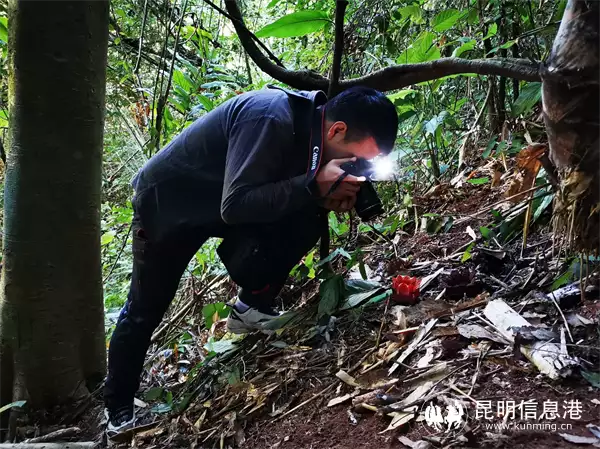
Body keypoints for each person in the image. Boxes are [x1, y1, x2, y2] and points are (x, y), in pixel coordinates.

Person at [103, 85, 398, 437]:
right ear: (336, 130)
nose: (355, 166)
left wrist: (322, 196)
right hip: (168, 209)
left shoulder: (313, 132)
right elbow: (237, 204)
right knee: (145, 307)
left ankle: (251, 306)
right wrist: (311, 187)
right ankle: (118, 408)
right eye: (355, 157)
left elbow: (265, 198)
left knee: (305, 218)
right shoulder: (270, 117)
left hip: (219, 205)